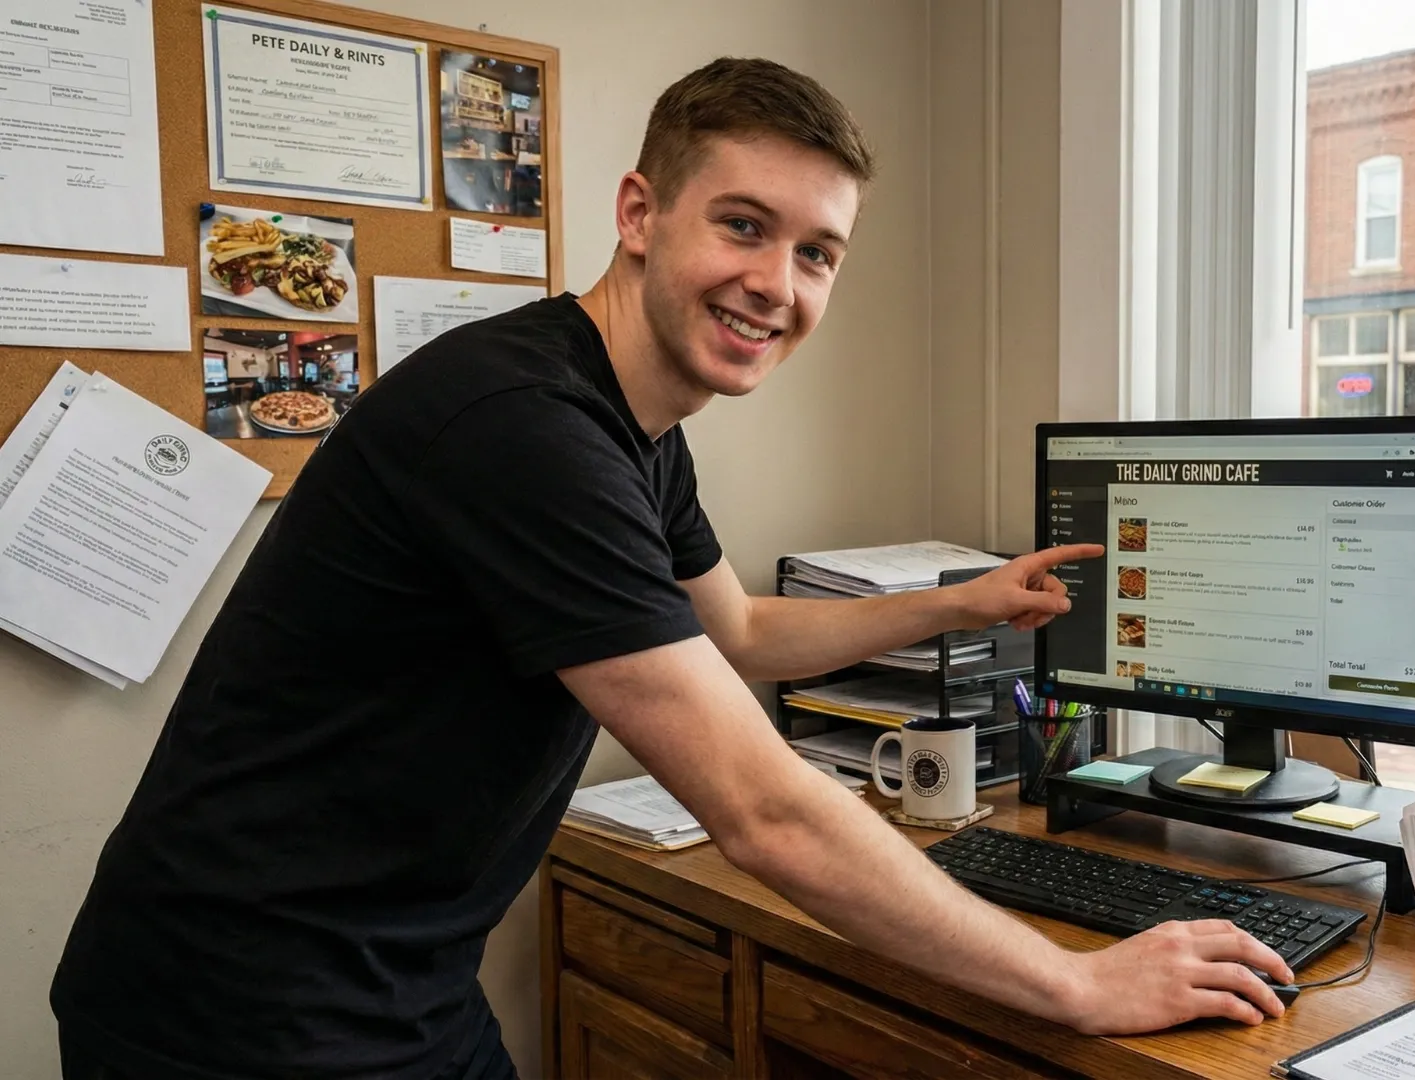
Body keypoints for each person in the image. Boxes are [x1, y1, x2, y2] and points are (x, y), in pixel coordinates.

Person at [50, 56, 1292, 1080]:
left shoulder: (635, 428)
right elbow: (759, 814)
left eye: (818, 253)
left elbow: (741, 633)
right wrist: (1078, 981)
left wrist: (962, 603)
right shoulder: (523, 430)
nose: (777, 285)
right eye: (744, 227)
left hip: (391, 977)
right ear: (640, 214)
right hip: (234, 1011)